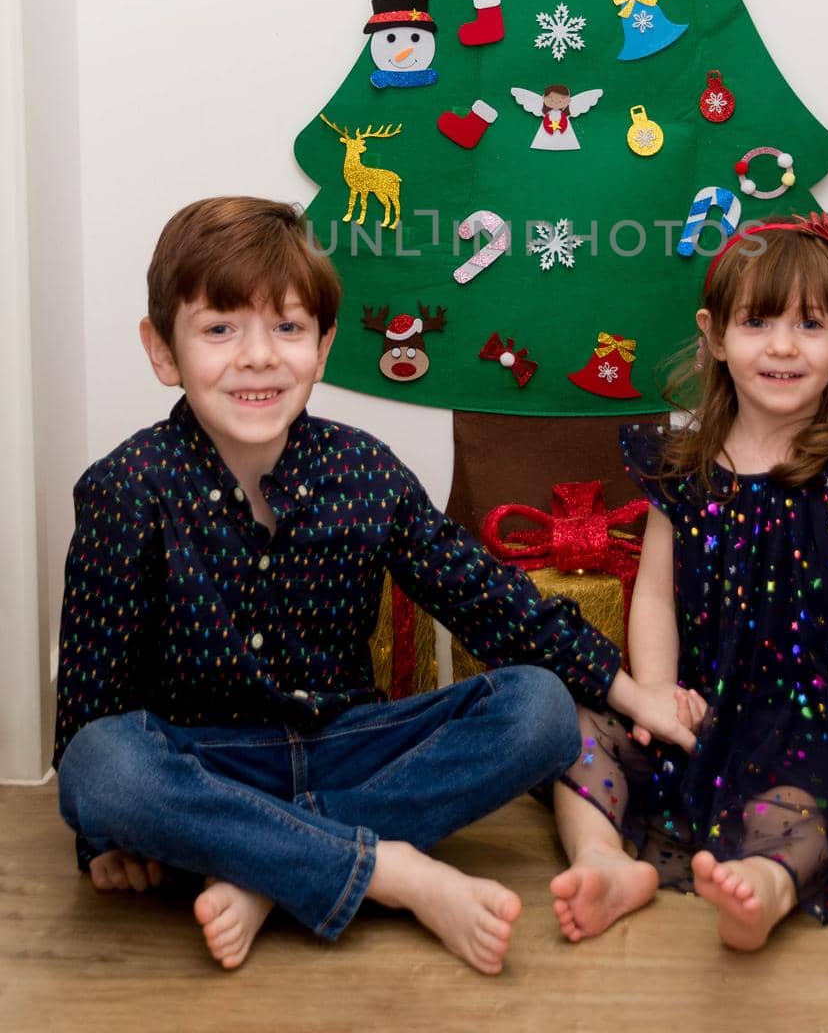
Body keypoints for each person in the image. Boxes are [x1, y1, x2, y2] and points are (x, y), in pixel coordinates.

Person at [54, 197, 695, 975]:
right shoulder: (127, 489)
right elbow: (93, 704)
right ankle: (389, 871)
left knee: (539, 710)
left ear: (323, 349)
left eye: (287, 329)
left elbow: (486, 599)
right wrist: (101, 843)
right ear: (164, 351)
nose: (257, 356)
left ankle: (267, 865)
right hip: (206, 762)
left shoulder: (364, 472)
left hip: (348, 748)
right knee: (101, 764)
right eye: (220, 329)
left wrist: (630, 694)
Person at [549, 214, 828, 951]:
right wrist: (660, 691)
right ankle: (602, 861)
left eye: (810, 324)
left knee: (807, 798)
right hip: (705, 709)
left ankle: (766, 887)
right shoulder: (683, 470)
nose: (784, 345)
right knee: (571, 727)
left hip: (819, 717)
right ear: (716, 336)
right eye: (757, 321)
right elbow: (657, 594)